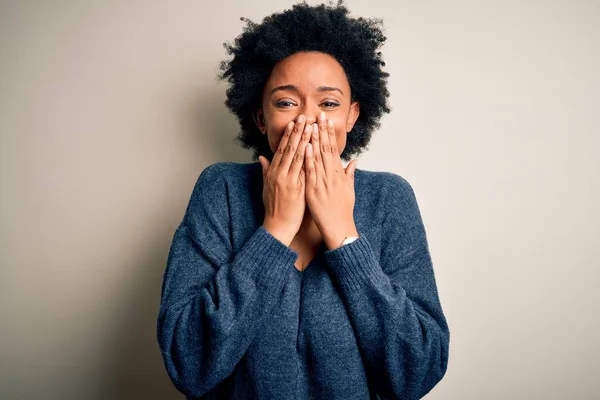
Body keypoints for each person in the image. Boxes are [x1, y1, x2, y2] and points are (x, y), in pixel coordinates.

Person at [156, 1, 450, 399]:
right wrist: (274, 231)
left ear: (352, 115)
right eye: (285, 102)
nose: (307, 120)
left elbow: (417, 372)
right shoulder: (221, 190)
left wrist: (345, 236)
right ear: (261, 118)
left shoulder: (389, 198)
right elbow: (188, 364)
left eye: (328, 104)